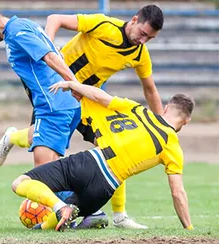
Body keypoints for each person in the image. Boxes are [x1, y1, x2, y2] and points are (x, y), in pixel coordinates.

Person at [0, 5, 165, 229]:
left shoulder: (140, 54)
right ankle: (13, 138)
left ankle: (119, 215)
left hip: (88, 101)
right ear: (133, 20)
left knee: (115, 149)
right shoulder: (104, 25)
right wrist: (50, 45)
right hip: (56, 90)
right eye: (143, 34)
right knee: (44, 161)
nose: (143, 41)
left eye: (149, 38)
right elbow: (54, 18)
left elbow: (150, 89)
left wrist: (163, 125)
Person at [11, 79, 193, 232]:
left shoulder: (138, 110)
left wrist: (72, 84)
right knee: (63, 217)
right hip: (104, 190)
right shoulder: (173, 147)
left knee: (20, 182)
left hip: (89, 164)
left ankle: (60, 206)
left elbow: (99, 96)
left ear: (167, 107)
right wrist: (189, 229)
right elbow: (178, 192)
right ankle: (51, 222)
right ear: (186, 121)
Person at [0, 1, 81, 169]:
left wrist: (74, 84)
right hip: (65, 104)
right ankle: (13, 137)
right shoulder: (24, 23)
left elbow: (50, 57)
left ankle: (12, 137)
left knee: (43, 178)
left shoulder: (16, 33)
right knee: (53, 175)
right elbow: (51, 51)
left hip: (53, 106)